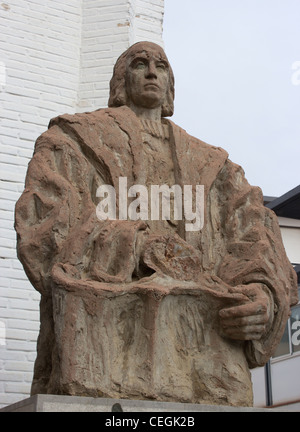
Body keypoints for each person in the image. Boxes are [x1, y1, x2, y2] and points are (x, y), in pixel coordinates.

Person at [15, 42, 298, 406]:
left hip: (206, 364)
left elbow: (253, 232)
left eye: (161, 66)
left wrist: (261, 295)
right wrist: (140, 247)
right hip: (103, 351)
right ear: (120, 82)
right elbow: (45, 228)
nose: (151, 71)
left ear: (170, 87)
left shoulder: (214, 164)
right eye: (140, 63)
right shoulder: (74, 141)